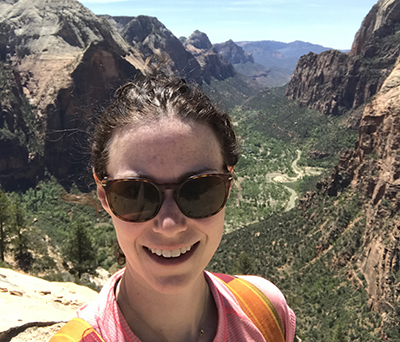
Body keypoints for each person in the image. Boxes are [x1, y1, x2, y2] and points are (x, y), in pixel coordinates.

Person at [52, 75, 296, 342]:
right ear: (104, 196)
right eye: (135, 193)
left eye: (200, 190)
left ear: (228, 185)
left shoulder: (266, 310)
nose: (169, 225)